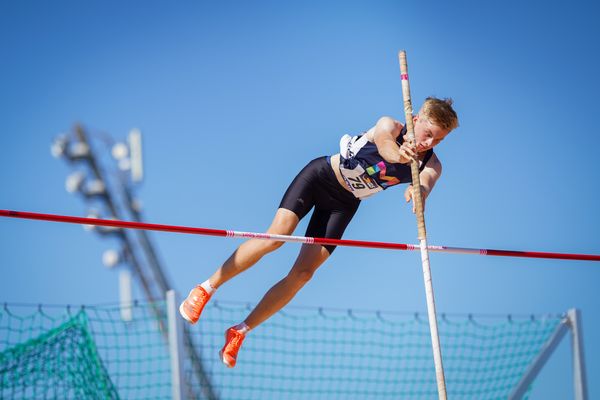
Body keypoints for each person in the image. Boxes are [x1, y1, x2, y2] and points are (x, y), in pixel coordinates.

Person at [180, 97, 459, 368]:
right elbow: (386, 147)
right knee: (277, 236)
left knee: (304, 273)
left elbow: (426, 181)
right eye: (428, 134)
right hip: (320, 177)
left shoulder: (430, 163)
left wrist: (418, 191)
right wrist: (400, 154)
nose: (429, 143)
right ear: (415, 119)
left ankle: (240, 331)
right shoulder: (390, 126)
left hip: (344, 204)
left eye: (438, 140)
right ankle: (206, 288)